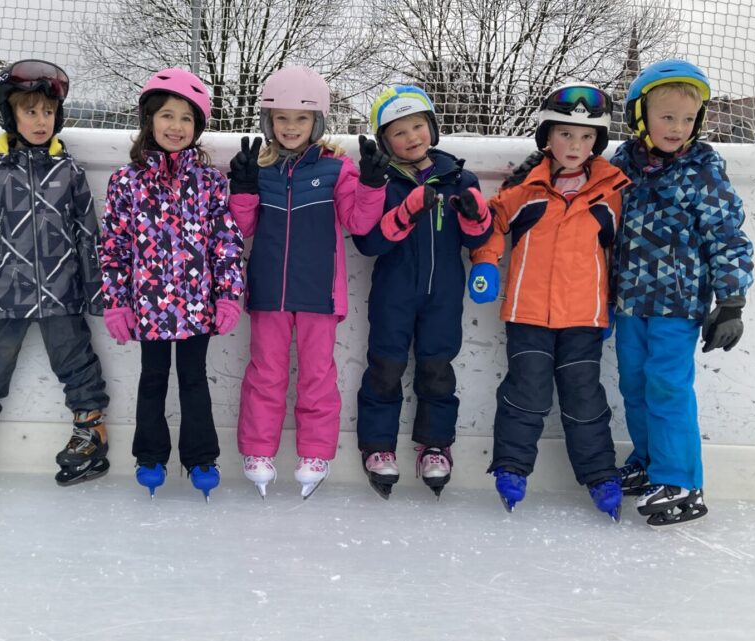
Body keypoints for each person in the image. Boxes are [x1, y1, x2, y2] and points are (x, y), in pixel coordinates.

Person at [468, 83, 629, 521]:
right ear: (546, 137)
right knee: (528, 393)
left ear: (598, 143)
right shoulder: (528, 190)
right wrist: (485, 261)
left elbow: (619, 253)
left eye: (586, 137)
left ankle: (600, 475)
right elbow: (492, 221)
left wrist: (612, 302)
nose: (575, 146)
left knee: (584, 397)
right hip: (528, 314)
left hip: (585, 317)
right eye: (565, 134)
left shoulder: (611, 193)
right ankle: (512, 468)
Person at [228, 65, 384, 499]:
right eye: (281, 118)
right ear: (268, 121)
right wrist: (241, 187)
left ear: (316, 122)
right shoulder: (261, 169)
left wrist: (372, 184)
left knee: (318, 377)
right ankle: (258, 451)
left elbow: (358, 219)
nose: (291, 127)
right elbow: (241, 228)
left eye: (300, 118)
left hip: (319, 293)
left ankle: (315, 452)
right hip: (269, 294)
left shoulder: (337, 170)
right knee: (265, 375)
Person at [0, 60, 110, 487]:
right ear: (10, 116)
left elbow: (88, 235)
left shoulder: (69, 171)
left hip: (62, 292)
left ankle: (90, 428)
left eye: (47, 112)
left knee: (76, 360)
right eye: (30, 111)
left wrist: (96, 292)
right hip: (6, 291)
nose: (40, 121)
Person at [611, 60, 753, 527]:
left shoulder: (703, 171)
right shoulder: (620, 168)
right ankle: (651, 462)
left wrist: (730, 302)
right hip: (630, 302)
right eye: (666, 117)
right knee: (633, 384)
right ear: (640, 117)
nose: (677, 128)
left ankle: (681, 479)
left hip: (678, 304)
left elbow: (727, 236)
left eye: (687, 119)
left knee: (668, 386)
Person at [98, 68, 244, 501]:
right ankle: (149, 456)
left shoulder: (210, 182)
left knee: (195, 379)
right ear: (149, 120)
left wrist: (229, 295)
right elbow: (114, 245)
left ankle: (201, 457)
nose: (175, 126)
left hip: (198, 305)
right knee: (153, 378)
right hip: (148, 307)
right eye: (166, 115)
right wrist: (117, 301)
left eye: (186, 118)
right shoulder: (126, 181)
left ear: (196, 127)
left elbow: (226, 242)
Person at [351, 85, 494, 500]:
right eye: (399, 132)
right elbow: (369, 243)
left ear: (432, 127)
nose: (412, 137)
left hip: (443, 297)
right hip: (393, 295)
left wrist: (475, 214)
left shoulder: (460, 178)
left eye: (418, 126)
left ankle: (436, 445)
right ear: (385, 141)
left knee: (437, 369)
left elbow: (477, 238)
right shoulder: (384, 183)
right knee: (385, 368)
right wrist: (407, 211)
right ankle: (378, 447)